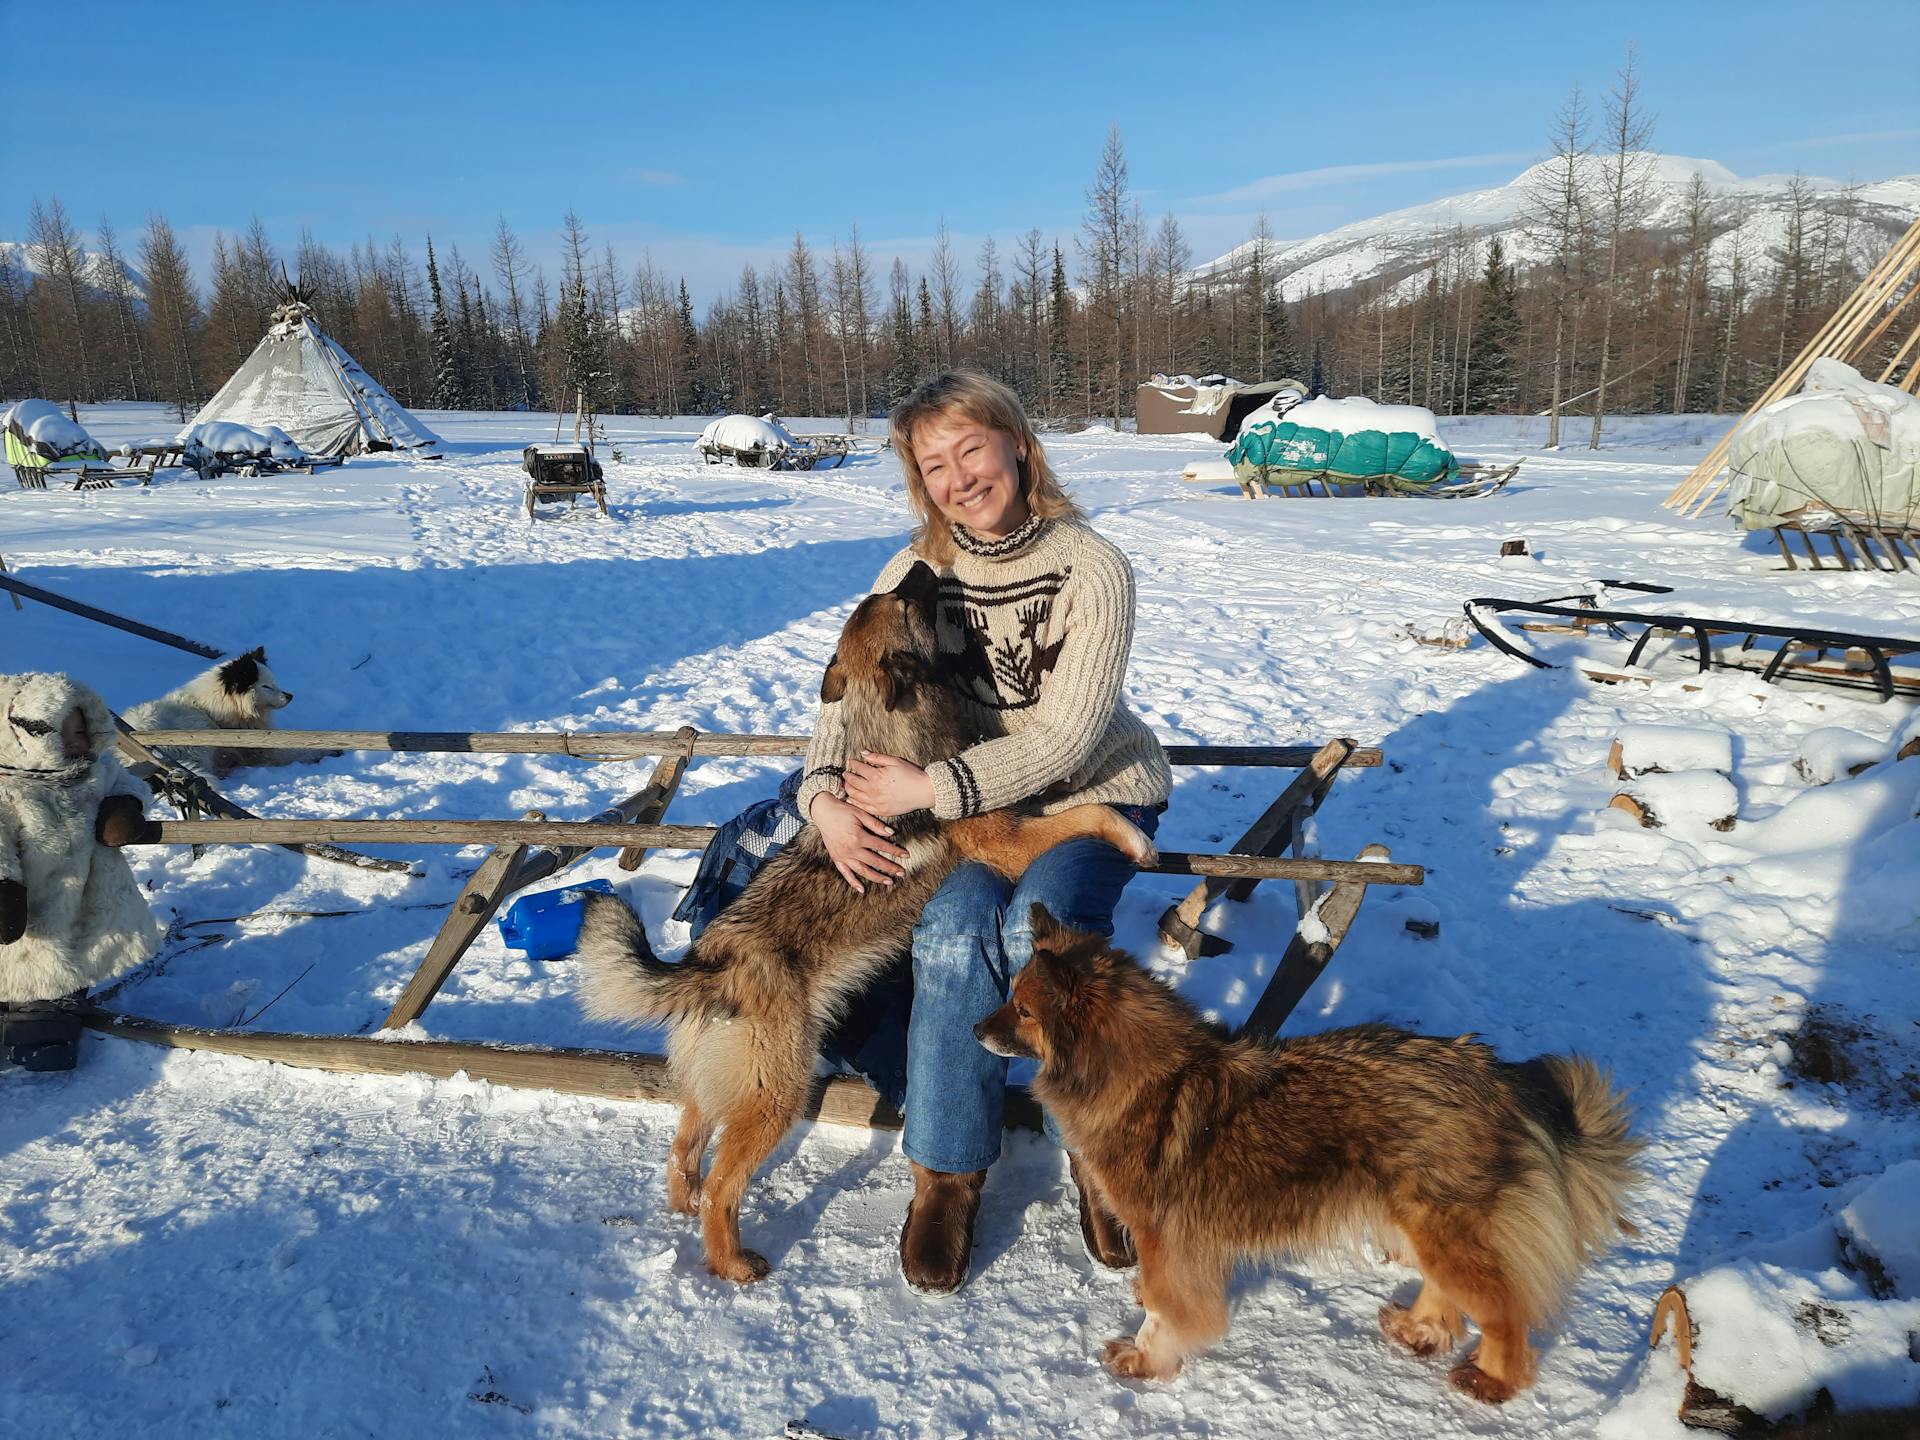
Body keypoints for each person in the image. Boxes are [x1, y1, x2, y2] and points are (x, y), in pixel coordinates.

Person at [796, 371, 1171, 1293]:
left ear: (1018, 448)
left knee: (1035, 932)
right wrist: (823, 801)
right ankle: (946, 1173)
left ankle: (1097, 1154)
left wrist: (937, 782)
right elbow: (843, 701)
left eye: (972, 448)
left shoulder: (1094, 566)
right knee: (953, 932)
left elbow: (1070, 734)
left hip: (1093, 795)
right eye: (935, 464)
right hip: (971, 814)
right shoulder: (913, 575)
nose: (959, 476)